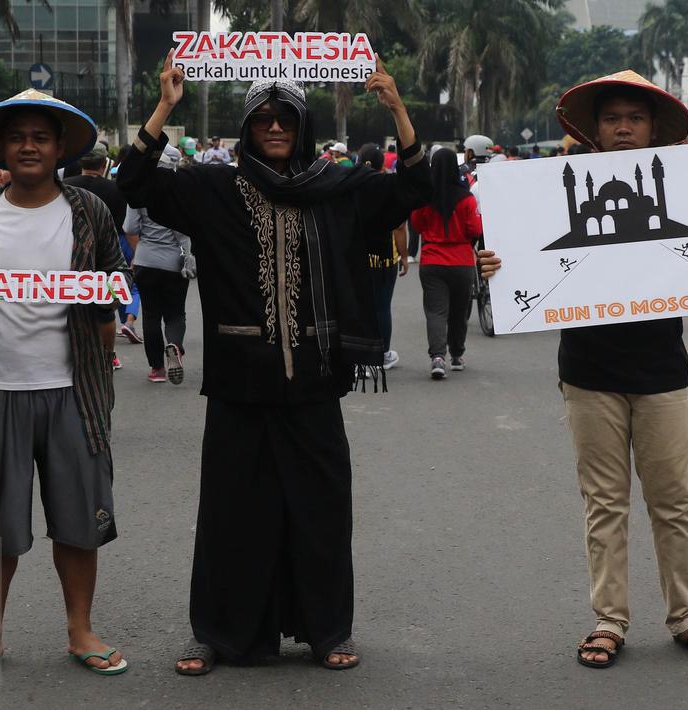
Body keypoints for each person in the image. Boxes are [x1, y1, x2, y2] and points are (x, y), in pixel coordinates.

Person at [116, 53, 429, 674]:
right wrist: (165, 107)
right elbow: (135, 183)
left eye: (287, 118)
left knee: (319, 508)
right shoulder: (213, 189)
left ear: (302, 127)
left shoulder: (337, 191)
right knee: (232, 512)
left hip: (315, 381)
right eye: (264, 119)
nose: (276, 128)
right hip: (239, 382)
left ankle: (327, 630)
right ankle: (217, 632)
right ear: (248, 127)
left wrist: (396, 108)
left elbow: (413, 190)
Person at [477, 69, 688, 669]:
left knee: (671, 501)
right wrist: (498, 265)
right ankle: (609, 619)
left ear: (653, 129)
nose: (625, 128)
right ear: (596, 130)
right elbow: (529, 260)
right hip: (588, 371)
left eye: (635, 118)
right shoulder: (554, 192)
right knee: (604, 503)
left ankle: (685, 614)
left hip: (662, 372)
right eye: (613, 119)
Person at [0, 88, 131, 681]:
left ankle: (81, 629)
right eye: (17, 136)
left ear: (61, 148)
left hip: (73, 392)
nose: (28, 146)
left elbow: (113, 286)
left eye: (40, 137)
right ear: (1, 149)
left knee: (78, 521)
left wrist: (103, 346)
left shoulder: (88, 213)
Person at [123, 144, 192, 384]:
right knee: (175, 313)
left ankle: (157, 369)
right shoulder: (182, 192)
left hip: (146, 260)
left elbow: (130, 228)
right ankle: (174, 344)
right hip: (175, 262)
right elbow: (186, 231)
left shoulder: (141, 190)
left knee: (151, 315)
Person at [410, 148, 481, 379]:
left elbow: (418, 225)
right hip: (462, 262)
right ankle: (457, 355)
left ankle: (437, 357)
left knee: (436, 312)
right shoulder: (467, 198)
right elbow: (475, 229)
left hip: (432, 261)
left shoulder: (424, 197)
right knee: (459, 312)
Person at [64, 141, 141, 354]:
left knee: (74, 297)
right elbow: (127, 225)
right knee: (115, 291)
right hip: (114, 245)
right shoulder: (116, 189)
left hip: (71, 248)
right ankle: (116, 339)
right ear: (103, 164)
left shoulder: (66, 186)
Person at [358, 143, 406, 370]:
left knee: (359, 305)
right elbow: (398, 227)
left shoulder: (348, 186)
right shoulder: (391, 187)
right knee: (382, 307)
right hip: (386, 257)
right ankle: (382, 355)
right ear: (382, 165)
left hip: (357, 256)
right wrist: (405, 256)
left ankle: (359, 358)